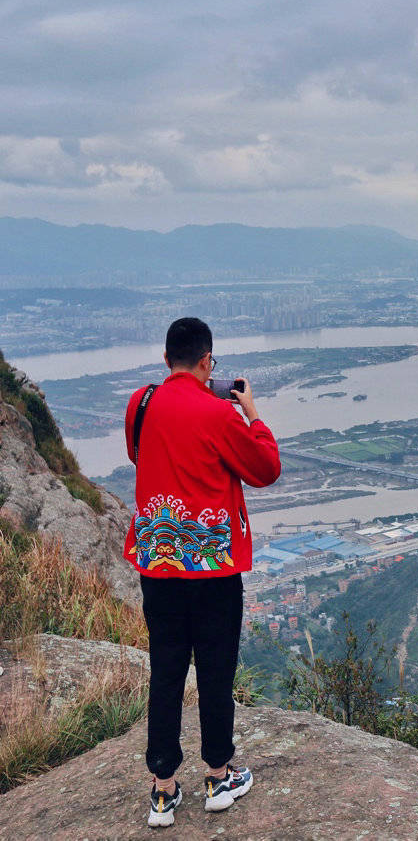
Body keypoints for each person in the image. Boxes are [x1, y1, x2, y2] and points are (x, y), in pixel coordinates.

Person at [123, 317, 281, 828]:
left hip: (160, 563)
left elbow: (138, 454)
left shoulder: (141, 404)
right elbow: (264, 469)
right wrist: (249, 410)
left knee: (167, 670)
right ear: (208, 362)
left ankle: (163, 790)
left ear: (167, 360)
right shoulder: (219, 413)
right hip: (213, 566)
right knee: (215, 670)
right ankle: (219, 776)